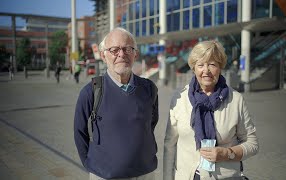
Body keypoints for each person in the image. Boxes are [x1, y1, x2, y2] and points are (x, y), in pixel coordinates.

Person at [163, 40, 259, 180]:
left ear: (220, 67)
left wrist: (227, 153)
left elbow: (252, 143)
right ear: (193, 68)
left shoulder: (236, 100)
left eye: (212, 64)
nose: (206, 71)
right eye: (200, 65)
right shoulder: (179, 98)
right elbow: (169, 145)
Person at [74, 27, 159, 180]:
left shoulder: (149, 89)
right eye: (114, 50)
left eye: (127, 49)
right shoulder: (91, 92)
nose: (121, 54)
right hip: (105, 175)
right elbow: (79, 132)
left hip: (145, 173)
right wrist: (90, 164)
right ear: (103, 55)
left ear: (135, 54)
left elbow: (151, 124)